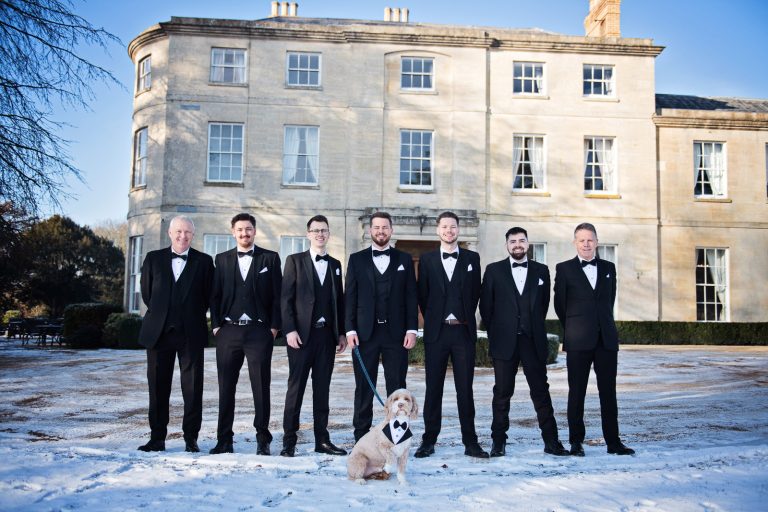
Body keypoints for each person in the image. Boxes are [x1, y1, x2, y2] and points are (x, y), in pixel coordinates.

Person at [479, 227, 570, 457]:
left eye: (521, 240)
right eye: (513, 241)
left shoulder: (541, 271)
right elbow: (486, 307)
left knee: (541, 392)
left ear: (527, 244)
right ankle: (498, 442)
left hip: (533, 341)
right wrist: (499, 331)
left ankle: (551, 441)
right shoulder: (493, 270)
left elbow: (543, 305)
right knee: (502, 393)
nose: (517, 244)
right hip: (504, 342)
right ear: (507, 245)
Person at [554, 223, 635, 456]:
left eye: (590, 240)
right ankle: (576, 442)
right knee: (576, 393)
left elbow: (609, 300)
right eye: (581, 240)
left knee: (608, 393)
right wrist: (576, 327)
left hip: (606, 340)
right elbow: (560, 306)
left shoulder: (609, 268)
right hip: (578, 341)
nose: (586, 244)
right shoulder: (564, 268)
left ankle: (613, 442)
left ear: (597, 242)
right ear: (575, 243)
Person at [137, 216, 214, 453]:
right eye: (178, 231)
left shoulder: (204, 261)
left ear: (193, 235)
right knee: (158, 388)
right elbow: (147, 294)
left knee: (193, 388)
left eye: (187, 232)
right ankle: (157, 438)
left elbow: (208, 296)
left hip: (191, 333)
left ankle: (191, 438)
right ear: (170, 233)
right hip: (158, 334)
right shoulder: (153, 258)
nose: (183, 236)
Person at [414, 211, 488, 459]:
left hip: (463, 332)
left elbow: (475, 293)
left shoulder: (472, 258)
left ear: (458, 229)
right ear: (438, 230)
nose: (449, 230)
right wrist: (436, 318)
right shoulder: (427, 260)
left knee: (465, 390)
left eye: (453, 226)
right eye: (445, 226)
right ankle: (428, 440)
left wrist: (462, 315)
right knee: (433, 389)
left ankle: (471, 441)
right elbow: (423, 296)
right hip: (437, 333)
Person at [209, 213, 282, 455]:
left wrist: (273, 328)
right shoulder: (221, 259)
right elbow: (215, 295)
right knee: (225, 387)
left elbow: (278, 296)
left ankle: (263, 439)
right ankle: (224, 440)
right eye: (240, 229)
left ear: (254, 231)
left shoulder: (270, 258)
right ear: (233, 232)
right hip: (228, 331)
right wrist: (217, 326)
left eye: (248, 229)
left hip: (259, 331)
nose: (244, 233)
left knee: (261, 387)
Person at [345, 211, 418, 442]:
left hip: (396, 335)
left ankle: (397, 435)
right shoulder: (356, 259)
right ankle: (361, 436)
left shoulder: (404, 259)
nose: (381, 231)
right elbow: (350, 297)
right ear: (370, 230)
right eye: (376, 227)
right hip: (364, 334)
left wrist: (412, 329)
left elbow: (411, 296)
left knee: (397, 388)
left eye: (385, 227)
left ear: (391, 230)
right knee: (364, 387)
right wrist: (350, 329)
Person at [280, 215, 348, 457]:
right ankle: (289, 441)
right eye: (316, 230)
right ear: (308, 234)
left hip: (326, 337)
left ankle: (322, 440)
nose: (320, 234)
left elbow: (339, 301)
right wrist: (289, 330)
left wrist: (341, 333)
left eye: (324, 230)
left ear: (328, 234)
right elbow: (285, 299)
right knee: (295, 390)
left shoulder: (335, 264)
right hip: (300, 338)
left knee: (322, 390)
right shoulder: (294, 261)